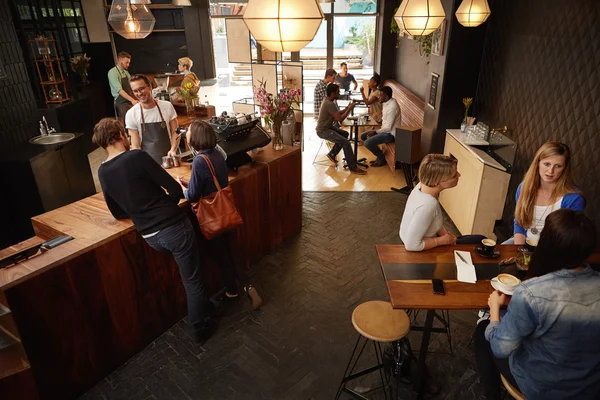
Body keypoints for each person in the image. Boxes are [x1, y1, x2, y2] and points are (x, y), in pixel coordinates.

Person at [92, 118, 218, 344]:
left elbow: (117, 212)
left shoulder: (102, 171)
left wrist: (140, 211)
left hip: (149, 237)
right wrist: (164, 207)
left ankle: (202, 308)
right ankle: (200, 327)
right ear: (120, 135)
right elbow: (173, 189)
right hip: (173, 227)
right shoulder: (136, 157)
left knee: (188, 276)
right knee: (192, 278)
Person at [475, 209, 600, 400]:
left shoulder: (531, 293)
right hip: (589, 387)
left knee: (484, 332)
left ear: (547, 244)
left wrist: (493, 310)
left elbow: (500, 347)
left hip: (541, 387)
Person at [177, 121, 263, 310]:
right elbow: (212, 181)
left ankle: (232, 292)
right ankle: (247, 285)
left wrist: (183, 188)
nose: (186, 134)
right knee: (231, 252)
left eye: (189, 132)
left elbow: (192, 195)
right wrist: (191, 182)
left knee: (222, 256)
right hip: (225, 211)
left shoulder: (199, 160)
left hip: (212, 215)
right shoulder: (217, 153)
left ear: (196, 136)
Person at [399, 154, 486, 251]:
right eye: (453, 175)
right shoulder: (428, 205)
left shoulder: (422, 185)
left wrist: (443, 233)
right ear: (437, 182)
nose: (458, 175)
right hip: (420, 250)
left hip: (420, 237)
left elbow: (428, 220)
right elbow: (411, 245)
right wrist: (441, 241)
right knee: (481, 241)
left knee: (480, 239)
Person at [507, 142, 584, 245]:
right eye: (547, 164)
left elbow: (566, 239)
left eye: (558, 166)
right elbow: (519, 224)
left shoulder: (574, 199)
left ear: (565, 169)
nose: (550, 171)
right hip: (522, 242)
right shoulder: (524, 187)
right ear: (538, 163)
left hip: (552, 250)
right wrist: (519, 251)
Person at [125, 74, 180, 164]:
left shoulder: (167, 106)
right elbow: (135, 145)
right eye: (135, 91)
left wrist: (173, 149)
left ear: (150, 86)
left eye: (142, 88)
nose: (139, 93)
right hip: (147, 161)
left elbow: (176, 132)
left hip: (170, 157)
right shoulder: (131, 114)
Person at [315, 84, 366, 175]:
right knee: (346, 142)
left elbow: (336, 113)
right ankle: (353, 167)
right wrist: (349, 109)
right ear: (333, 93)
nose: (339, 93)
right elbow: (340, 120)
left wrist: (346, 108)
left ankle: (332, 154)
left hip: (327, 127)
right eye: (338, 92)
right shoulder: (329, 104)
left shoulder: (327, 100)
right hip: (323, 131)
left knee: (345, 134)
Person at [359, 86, 402, 167]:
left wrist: (375, 132)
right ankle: (379, 156)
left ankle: (381, 158)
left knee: (367, 143)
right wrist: (381, 112)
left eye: (381, 95)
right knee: (363, 136)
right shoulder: (387, 102)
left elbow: (388, 128)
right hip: (384, 130)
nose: (379, 97)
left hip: (391, 134)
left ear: (387, 96)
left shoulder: (392, 107)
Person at [108, 51, 137, 122]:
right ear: (120, 61)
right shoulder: (112, 72)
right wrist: (132, 100)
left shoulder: (126, 72)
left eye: (129, 62)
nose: (128, 65)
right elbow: (120, 90)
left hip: (129, 100)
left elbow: (131, 85)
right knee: (126, 121)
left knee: (133, 119)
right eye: (126, 62)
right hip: (121, 102)